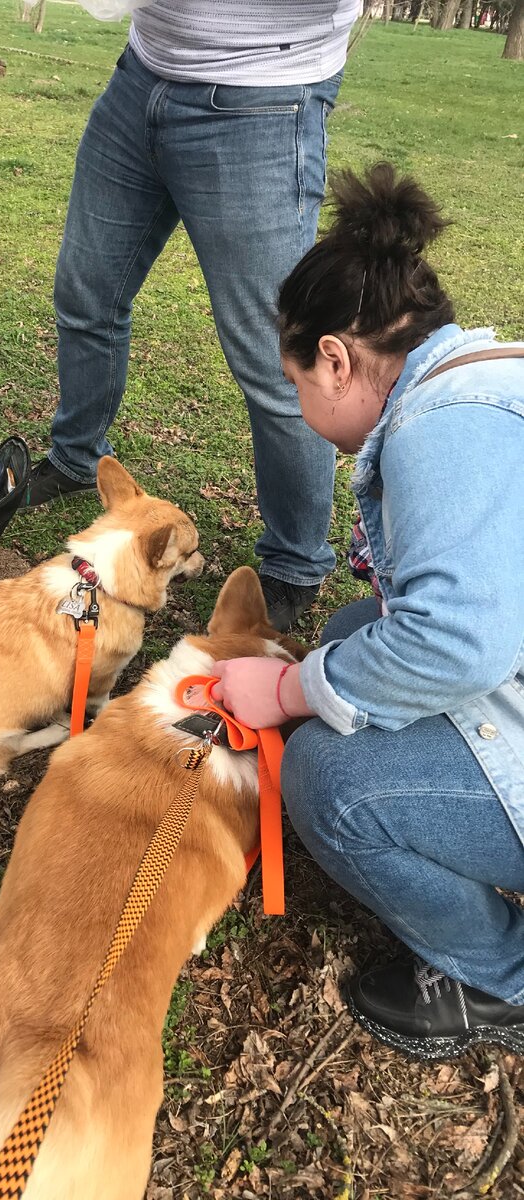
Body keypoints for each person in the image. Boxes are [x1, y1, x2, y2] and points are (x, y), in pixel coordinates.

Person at [210, 162, 524, 1060]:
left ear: (337, 360)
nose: (302, 406)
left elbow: (459, 644)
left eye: (296, 384)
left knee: (329, 783)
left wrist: (288, 692)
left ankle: (504, 980)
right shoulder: (483, 381)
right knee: (355, 632)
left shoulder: (439, 432)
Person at [24, 1, 361, 631]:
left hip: (262, 96)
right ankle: (75, 458)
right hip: (142, 75)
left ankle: (293, 561)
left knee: (278, 355)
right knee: (86, 294)